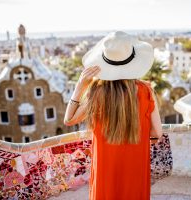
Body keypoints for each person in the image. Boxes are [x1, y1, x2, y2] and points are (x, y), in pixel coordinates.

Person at [64, 31, 163, 200]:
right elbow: (157, 133)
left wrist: (80, 86)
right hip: (135, 167)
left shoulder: (97, 93)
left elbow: (69, 120)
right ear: (133, 61)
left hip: (105, 171)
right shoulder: (146, 90)